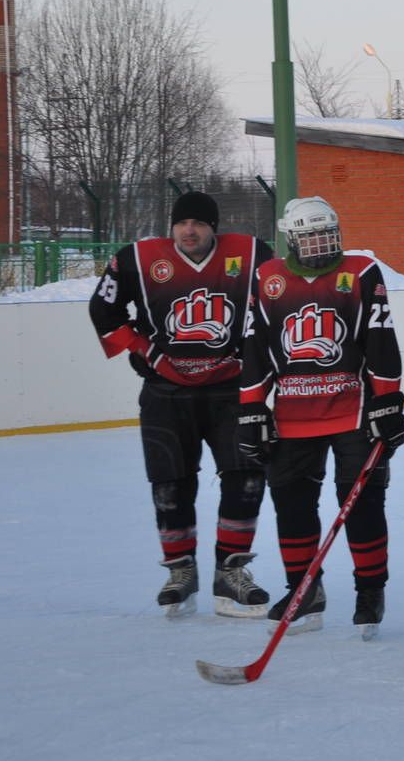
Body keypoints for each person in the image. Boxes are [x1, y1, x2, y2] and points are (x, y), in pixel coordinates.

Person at [89, 191, 276, 619]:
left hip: (233, 392)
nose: (189, 231)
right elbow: (103, 309)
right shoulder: (136, 259)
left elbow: (274, 305)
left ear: (214, 228)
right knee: (169, 484)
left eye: (199, 223)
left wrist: (253, 355)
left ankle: (231, 573)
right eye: (182, 223)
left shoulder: (250, 253)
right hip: (166, 393)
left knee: (247, 478)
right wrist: (145, 352)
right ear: (171, 226)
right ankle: (180, 571)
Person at [237, 195, 404, 639]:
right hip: (292, 415)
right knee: (292, 505)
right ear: (291, 239)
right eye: (309, 236)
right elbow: (254, 348)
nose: (318, 245)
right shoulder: (267, 278)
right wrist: (253, 406)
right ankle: (303, 590)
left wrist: (387, 400)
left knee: (364, 504)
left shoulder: (361, 272)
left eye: (325, 234)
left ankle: (370, 590)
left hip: (352, 411)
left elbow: (380, 338)